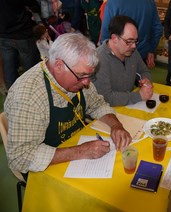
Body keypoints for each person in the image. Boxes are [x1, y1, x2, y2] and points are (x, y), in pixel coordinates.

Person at [4, 33, 132, 179]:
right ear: (59, 66)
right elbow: (19, 157)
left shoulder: (79, 78)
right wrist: (80, 151)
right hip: (44, 169)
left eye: (89, 76)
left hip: (76, 150)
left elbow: (97, 104)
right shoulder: (28, 96)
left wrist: (116, 126)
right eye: (82, 76)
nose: (87, 83)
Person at [93, 15, 153, 106]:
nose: (134, 46)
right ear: (114, 38)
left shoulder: (132, 52)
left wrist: (145, 80)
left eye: (135, 41)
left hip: (129, 106)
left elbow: (144, 71)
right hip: (108, 112)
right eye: (129, 41)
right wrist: (138, 95)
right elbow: (105, 97)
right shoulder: (99, 59)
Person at [99, 0, 163, 69]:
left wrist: (105, 54)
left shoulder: (113, 2)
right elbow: (158, 28)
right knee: (141, 77)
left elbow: (106, 33)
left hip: (118, 55)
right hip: (142, 53)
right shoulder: (149, 2)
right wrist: (151, 50)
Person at [0, 0, 42, 89]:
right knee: (31, 69)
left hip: (4, 34)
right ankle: (34, 91)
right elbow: (35, 6)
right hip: (22, 33)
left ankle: (12, 94)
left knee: (9, 68)